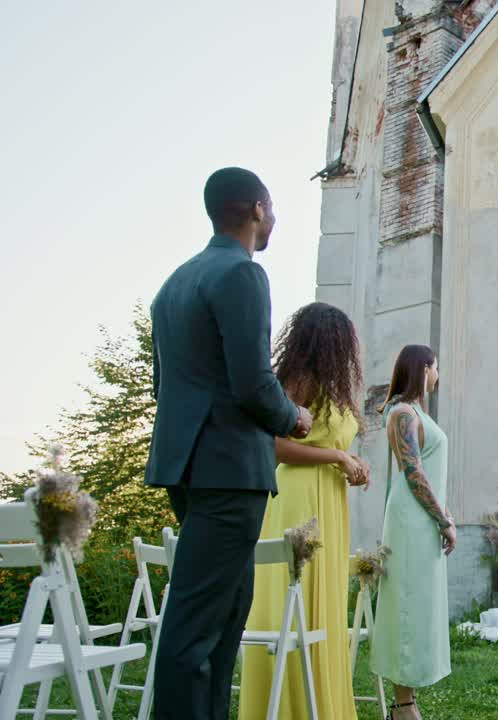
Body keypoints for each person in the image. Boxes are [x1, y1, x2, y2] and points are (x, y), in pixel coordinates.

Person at [144, 167, 312, 720]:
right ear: (259, 209)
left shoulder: (175, 283)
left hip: (188, 467)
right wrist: (294, 418)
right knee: (195, 630)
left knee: (221, 622)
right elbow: (253, 384)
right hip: (229, 470)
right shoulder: (243, 274)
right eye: (274, 208)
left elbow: (162, 388)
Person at [238, 302, 368, 720]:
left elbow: (333, 447)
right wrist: (335, 456)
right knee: (293, 599)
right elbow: (272, 445)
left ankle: (321, 706)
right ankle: (287, 706)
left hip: (330, 500)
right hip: (297, 498)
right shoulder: (298, 380)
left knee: (323, 603)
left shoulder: (335, 389)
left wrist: (352, 464)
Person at [373, 344, 454, 720]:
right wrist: (443, 519)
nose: (438, 375)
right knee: (405, 606)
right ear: (423, 369)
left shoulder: (417, 412)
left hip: (424, 519)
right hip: (410, 522)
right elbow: (414, 473)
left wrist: (443, 514)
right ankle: (402, 706)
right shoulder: (403, 413)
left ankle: (408, 701)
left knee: (419, 607)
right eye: (435, 368)